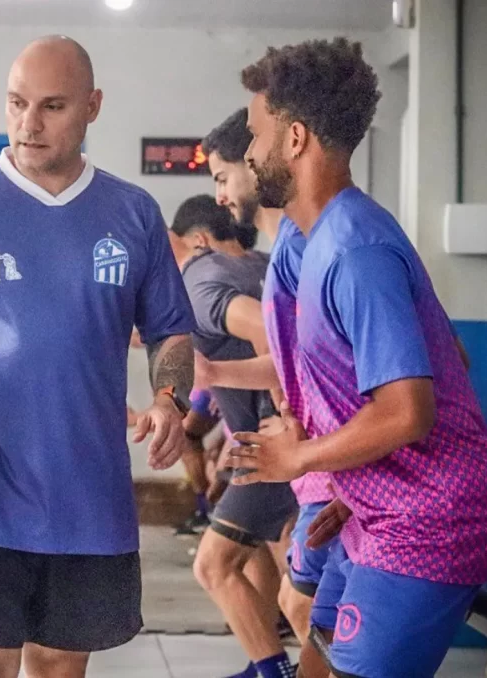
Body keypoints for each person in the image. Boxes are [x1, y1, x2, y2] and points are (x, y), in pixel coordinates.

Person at [0, 36, 198, 678]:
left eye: (51, 106)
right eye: (17, 103)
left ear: (93, 106)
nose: (29, 123)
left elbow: (172, 333)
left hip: (88, 497)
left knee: (57, 668)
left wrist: (169, 399)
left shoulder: (131, 213)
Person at [230, 37, 487, 678]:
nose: (248, 153)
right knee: (314, 658)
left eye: (255, 134)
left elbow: (409, 411)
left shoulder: (355, 249)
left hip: (434, 520)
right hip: (379, 505)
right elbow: (454, 356)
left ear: (295, 138)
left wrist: (301, 457)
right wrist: (358, 474)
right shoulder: (317, 241)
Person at [200, 108, 337, 669]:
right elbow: (293, 361)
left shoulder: (331, 241)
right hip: (314, 468)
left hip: (341, 472)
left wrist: (294, 432)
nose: (222, 193)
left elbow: (400, 396)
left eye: (224, 175)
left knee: (295, 605)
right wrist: (214, 377)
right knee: (294, 600)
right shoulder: (282, 252)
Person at [170, 195, 299, 678]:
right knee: (277, 562)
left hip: (275, 447)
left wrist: (285, 416)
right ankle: (266, 663)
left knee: (214, 564)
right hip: (270, 444)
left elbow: (275, 331)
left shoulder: (198, 283)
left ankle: (273, 669)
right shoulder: (255, 263)